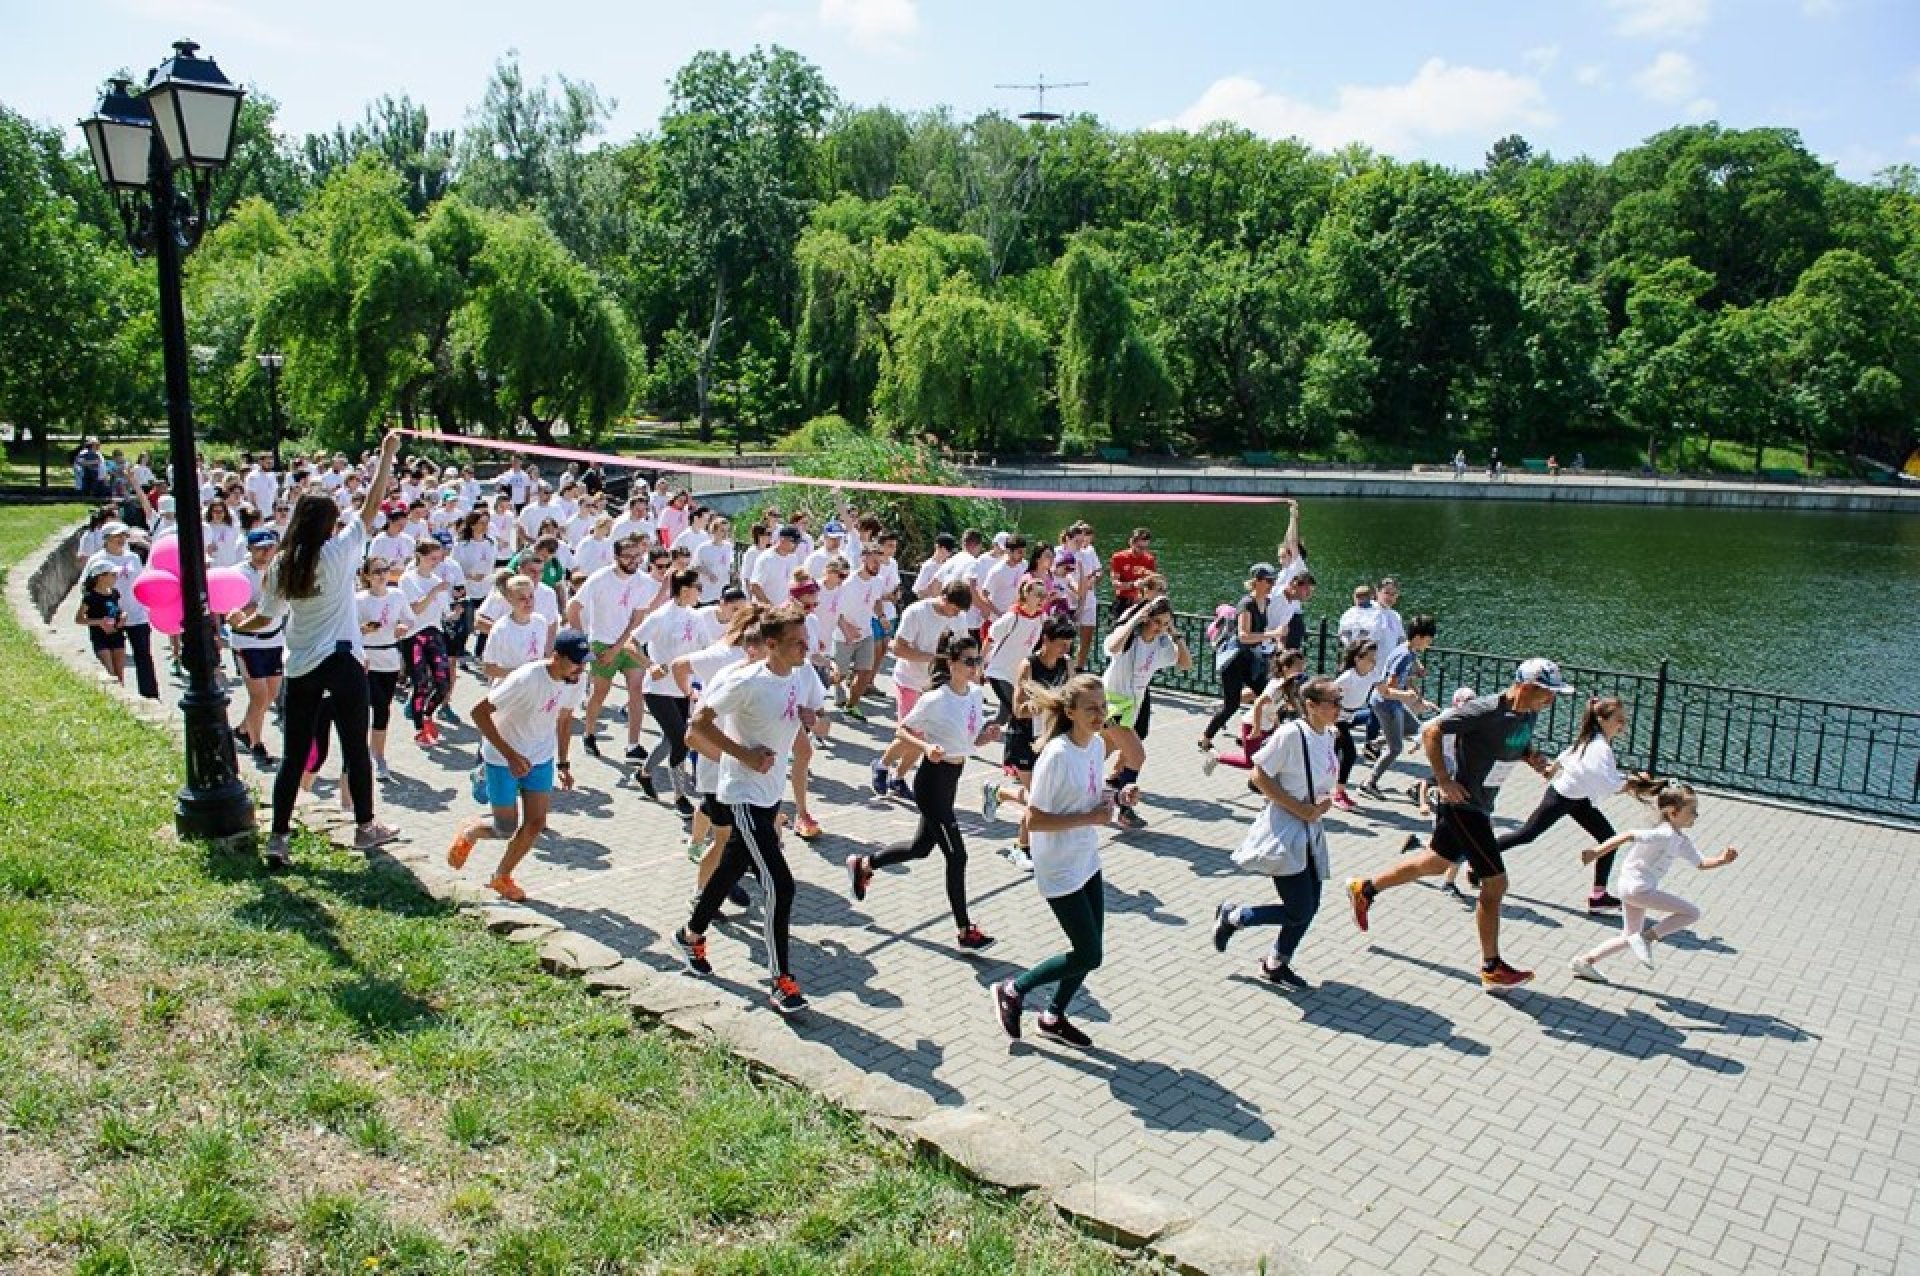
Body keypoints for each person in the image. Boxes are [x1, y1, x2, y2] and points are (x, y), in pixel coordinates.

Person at [1345, 658, 1576, 991]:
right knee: (1495, 884)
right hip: (1463, 805)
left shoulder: (1528, 712)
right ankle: (1492, 967)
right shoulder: (1485, 710)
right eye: (1547, 693)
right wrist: (1442, 779)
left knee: (1435, 863)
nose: (1551, 700)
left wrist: (1532, 757)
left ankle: (1364, 889)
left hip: (1481, 802)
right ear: (1526, 687)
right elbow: (1432, 731)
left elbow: (1515, 740)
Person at [241, 430, 404, 869]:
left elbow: (267, 617)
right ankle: (365, 827)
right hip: (343, 660)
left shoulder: (282, 562)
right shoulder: (341, 551)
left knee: (293, 754)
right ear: (330, 524)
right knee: (355, 746)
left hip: (301, 664)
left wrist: (239, 622)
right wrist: (386, 456)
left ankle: (278, 838)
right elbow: (370, 508)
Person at [673, 604, 827, 1015]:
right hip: (741, 793)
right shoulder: (746, 682)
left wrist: (813, 719)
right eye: (796, 643)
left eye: (806, 640)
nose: (804, 649)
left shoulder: (801, 675)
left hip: (771, 794)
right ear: (771, 644)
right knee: (780, 884)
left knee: (728, 869)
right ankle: (781, 982)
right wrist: (743, 754)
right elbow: (697, 727)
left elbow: (822, 723)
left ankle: (690, 933)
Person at [993, 674, 1125, 1047]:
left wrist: (1116, 796)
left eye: (1103, 707)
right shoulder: (1056, 754)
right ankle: (1013, 989)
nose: (1100, 715)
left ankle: (1052, 1017)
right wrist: (1091, 818)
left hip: (1086, 857)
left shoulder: (1097, 746)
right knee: (1089, 954)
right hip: (1059, 866)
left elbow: (1091, 793)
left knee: (1089, 948)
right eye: (1091, 709)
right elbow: (1034, 819)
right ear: (1070, 712)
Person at [847, 632, 1002, 950]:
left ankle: (864, 864)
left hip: (953, 775)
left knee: (920, 849)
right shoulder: (935, 698)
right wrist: (924, 746)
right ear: (951, 663)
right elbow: (901, 729)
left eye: (978, 660)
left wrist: (987, 737)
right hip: (932, 780)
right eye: (969, 661)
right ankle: (965, 930)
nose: (975, 667)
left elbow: (970, 739)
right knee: (957, 856)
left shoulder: (973, 694)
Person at [1213, 676, 1344, 989]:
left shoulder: (1328, 734)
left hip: (1311, 828)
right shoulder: (1290, 734)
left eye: (1340, 701)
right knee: (1299, 908)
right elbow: (1259, 775)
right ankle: (1235, 916)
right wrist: (1296, 807)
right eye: (1333, 702)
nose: (1340, 708)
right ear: (1310, 705)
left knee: (1310, 906)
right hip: (1286, 828)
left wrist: (1325, 802)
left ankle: (1276, 963)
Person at [446, 631, 588, 902]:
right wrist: (510, 755)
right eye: (576, 662)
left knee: (536, 823)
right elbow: (478, 712)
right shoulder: (526, 679)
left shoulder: (575, 680)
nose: (581, 669)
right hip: (502, 759)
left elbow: (564, 721)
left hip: (540, 757)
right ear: (556, 657)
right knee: (505, 828)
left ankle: (501, 877)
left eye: (584, 663)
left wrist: (564, 763)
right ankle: (471, 831)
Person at [1498, 695, 1662, 912]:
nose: (1623, 725)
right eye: (1619, 719)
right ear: (1603, 719)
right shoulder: (1599, 747)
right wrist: (1634, 782)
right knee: (1527, 835)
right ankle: (1478, 859)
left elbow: (1571, 753)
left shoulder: (1594, 739)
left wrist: (1552, 769)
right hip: (1561, 798)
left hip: (1578, 799)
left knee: (1608, 840)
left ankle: (1598, 896)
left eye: (1624, 720)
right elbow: (1608, 784)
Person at [1570, 783, 1740, 981]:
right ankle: (1647, 938)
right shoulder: (1664, 833)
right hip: (1638, 890)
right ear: (1673, 812)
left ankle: (1585, 961)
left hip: (1631, 888)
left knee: (1628, 936)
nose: (1696, 815)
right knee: (1692, 913)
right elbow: (1629, 834)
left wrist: (1721, 860)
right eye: (1692, 811)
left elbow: (1700, 863)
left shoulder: (1680, 840)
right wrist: (1596, 852)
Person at [982, 614, 1077, 870]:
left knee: (1042, 793)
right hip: (1024, 736)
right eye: (1061, 643)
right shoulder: (1028, 665)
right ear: (1045, 639)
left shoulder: (1066, 665)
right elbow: (1018, 709)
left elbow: (1070, 697)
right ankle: (1020, 848)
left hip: (1049, 737)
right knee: (1038, 797)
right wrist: (1047, 702)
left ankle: (998, 793)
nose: (1065, 649)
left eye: (1068, 644)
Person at [874, 580, 975, 799]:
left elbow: (962, 646)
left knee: (927, 737)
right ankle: (882, 765)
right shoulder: (917, 612)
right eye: (953, 609)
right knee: (911, 732)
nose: (954, 615)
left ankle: (899, 777)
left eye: (959, 612)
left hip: (937, 684)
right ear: (944, 598)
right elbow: (898, 648)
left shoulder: (959, 618)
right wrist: (934, 658)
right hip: (910, 679)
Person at [1099, 597, 1191, 830]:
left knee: (1096, 754)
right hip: (1112, 702)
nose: (1159, 628)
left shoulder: (1161, 644)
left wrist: (1175, 634)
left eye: (1165, 623)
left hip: (1132, 706)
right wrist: (1133, 621)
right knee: (1136, 755)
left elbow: (1185, 664)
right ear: (1146, 618)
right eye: (1156, 622)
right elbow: (1111, 647)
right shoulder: (1130, 638)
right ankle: (1124, 809)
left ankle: (1074, 789)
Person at [570, 536, 654, 762]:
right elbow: (574, 608)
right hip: (601, 642)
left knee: (637, 690)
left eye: (637, 556)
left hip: (628, 643)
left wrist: (620, 646)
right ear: (616, 557)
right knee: (600, 693)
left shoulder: (644, 582)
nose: (634, 561)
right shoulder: (600, 579)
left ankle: (633, 744)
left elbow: (638, 617)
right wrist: (583, 644)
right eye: (628, 556)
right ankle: (589, 733)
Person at [635, 568, 708, 811]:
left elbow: (708, 649)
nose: (701, 592)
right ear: (685, 590)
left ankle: (644, 772)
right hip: (658, 689)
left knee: (669, 740)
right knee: (681, 739)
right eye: (698, 587)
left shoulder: (696, 617)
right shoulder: (660, 616)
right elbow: (631, 644)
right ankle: (680, 796)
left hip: (683, 688)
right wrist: (650, 665)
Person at [1199, 563, 1290, 754]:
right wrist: (1272, 634)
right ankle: (1206, 737)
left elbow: (1261, 632)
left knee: (1269, 696)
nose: (1272, 584)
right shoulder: (1247, 603)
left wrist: (1277, 644)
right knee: (1231, 705)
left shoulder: (1266, 601)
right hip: (1235, 660)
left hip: (1252, 659)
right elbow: (1244, 636)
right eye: (1268, 580)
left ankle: (1271, 737)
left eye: (1273, 580)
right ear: (1257, 581)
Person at [1357, 616, 1439, 799]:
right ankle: (1368, 783)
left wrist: (1419, 699)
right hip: (1386, 704)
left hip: (1392, 703)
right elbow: (1389, 689)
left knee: (1417, 729)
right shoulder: (1403, 656)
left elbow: (1406, 679)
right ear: (1418, 637)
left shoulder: (1409, 652)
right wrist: (1407, 697)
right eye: (1429, 639)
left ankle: (1375, 743)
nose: (1430, 643)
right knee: (1395, 748)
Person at [229, 529, 286, 769]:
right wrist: (250, 610)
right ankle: (257, 743)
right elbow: (232, 611)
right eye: (259, 548)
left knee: (271, 694)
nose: (264, 553)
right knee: (259, 695)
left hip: (273, 639)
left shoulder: (280, 571)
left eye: (269, 548)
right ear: (250, 549)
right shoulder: (237, 574)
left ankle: (243, 729)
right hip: (247, 640)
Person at [1203, 648, 1306, 775]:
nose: (1301, 669)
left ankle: (1271, 783)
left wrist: (1280, 724)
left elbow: (1283, 706)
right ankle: (1217, 757)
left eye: (1303, 665)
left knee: (1276, 755)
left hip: (1267, 727)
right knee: (1249, 762)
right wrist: (1256, 728)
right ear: (1285, 668)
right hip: (1252, 724)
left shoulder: (1289, 685)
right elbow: (1258, 703)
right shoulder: (1275, 686)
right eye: (1298, 665)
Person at [354, 557, 408, 782]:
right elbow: (349, 630)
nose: (382, 575)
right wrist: (363, 630)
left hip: (390, 657)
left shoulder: (397, 595)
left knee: (383, 708)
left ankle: (378, 754)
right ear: (366, 576)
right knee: (369, 704)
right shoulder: (359, 600)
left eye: (385, 570)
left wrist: (403, 627)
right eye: (376, 572)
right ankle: (363, 756)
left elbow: (408, 619)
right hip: (366, 656)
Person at [76, 559, 127, 683]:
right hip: (100, 638)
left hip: (117, 635)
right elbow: (79, 619)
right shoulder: (90, 597)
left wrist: (123, 617)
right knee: (110, 673)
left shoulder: (114, 593)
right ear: (101, 577)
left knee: (120, 674)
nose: (116, 578)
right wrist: (99, 622)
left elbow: (118, 610)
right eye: (113, 575)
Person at [1109, 528, 1157, 613]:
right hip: (1123, 602)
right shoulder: (1118, 557)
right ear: (1131, 543)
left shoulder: (1150, 559)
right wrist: (1133, 585)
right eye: (1140, 547)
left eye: (1145, 547)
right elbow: (1115, 584)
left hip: (1142, 603)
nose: (1142, 551)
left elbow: (1153, 583)